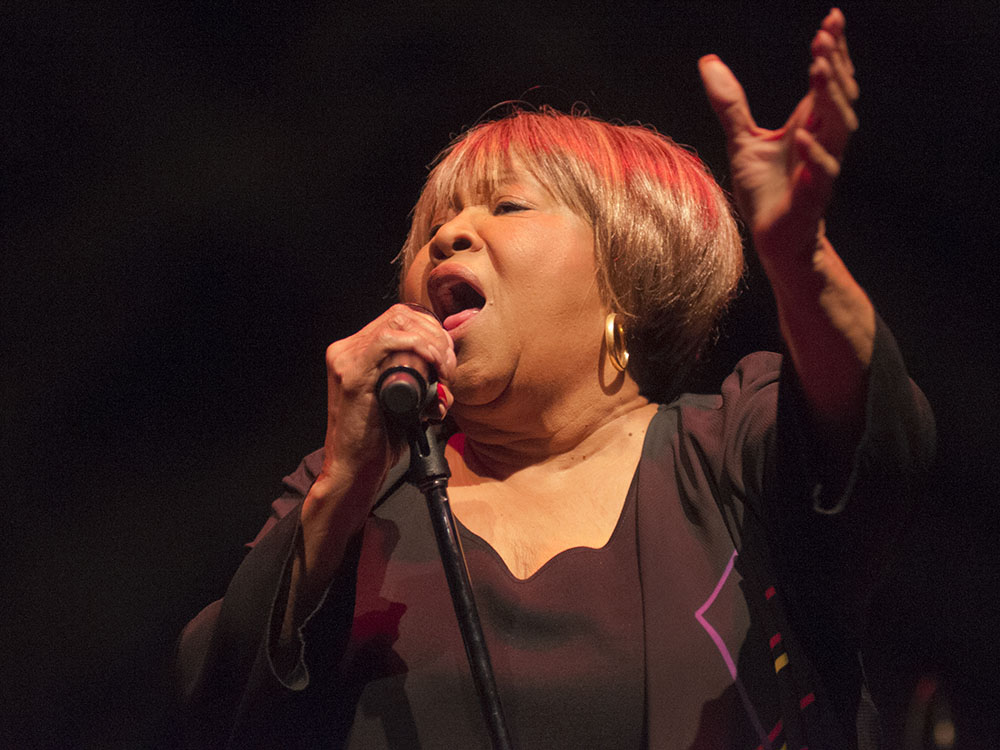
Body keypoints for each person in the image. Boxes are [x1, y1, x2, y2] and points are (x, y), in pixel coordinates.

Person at [176, 9, 934, 749]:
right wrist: (342, 484)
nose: (448, 235)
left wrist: (799, 256)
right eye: (432, 229)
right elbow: (218, 701)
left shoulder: (730, 447)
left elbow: (876, 441)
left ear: (625, 270)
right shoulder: (357, 495)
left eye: (506, 205)